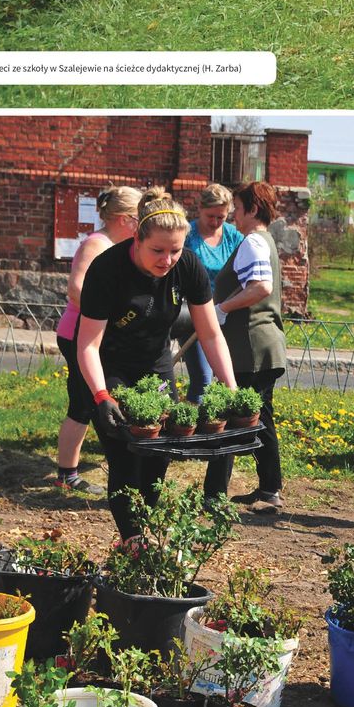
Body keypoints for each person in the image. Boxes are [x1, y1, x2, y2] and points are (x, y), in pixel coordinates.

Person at [76, 187, 237, 540]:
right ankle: (133, 542)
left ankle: (142, 533)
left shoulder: (187, 266)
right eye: (158, 251)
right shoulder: (108, 269)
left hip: (156, 368)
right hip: (109, 368)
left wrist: (231, 385)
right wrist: (102, 396)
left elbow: (210, 334)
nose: (167, 260)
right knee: (124, 458)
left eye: (175, 251)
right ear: (137, 237)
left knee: (157, 458)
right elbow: (87, 342)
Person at [54, 185, 141, 493]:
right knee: (82, 403)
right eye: (138, 217)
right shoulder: (97, 244)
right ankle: (67, 474)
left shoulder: (117, 245)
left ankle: (70, 471)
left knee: (85, 402)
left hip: (93, 335)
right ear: (123, 218)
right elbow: (76, 289)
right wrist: (109, 316)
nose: (141, 224)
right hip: (78, 335)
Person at [210, 181, 289, 513]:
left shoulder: (254, 241)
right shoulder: (263, 240)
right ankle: (270, 488)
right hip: (260, 346)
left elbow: (260, 287)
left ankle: (214, 494)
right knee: (258, 417)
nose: (233, 217)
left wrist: (221, 308)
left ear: (253, 210)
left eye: (238, 210)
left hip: (251, 348)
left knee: (230, 416)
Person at [181, 183, 244, 403]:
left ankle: (217, 429)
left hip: (226, 314)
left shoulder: (234, 236)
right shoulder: (187, 235)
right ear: (200, 208)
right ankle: (190, 430)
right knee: (203, 380)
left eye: (221, 217)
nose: (216, 222)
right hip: (195, 315)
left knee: (227, 379)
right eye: (211, 216)